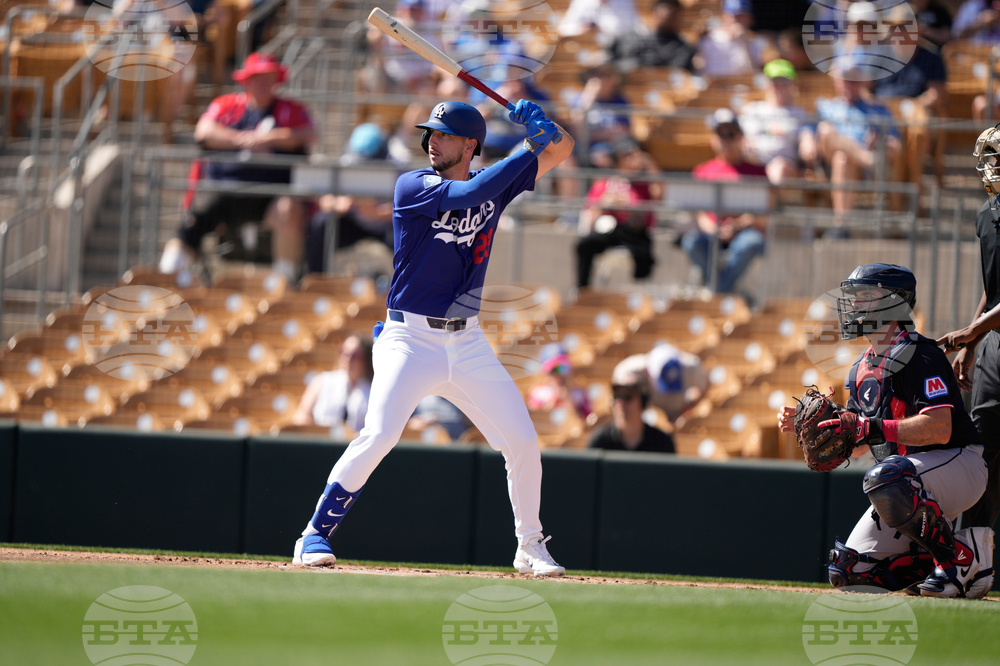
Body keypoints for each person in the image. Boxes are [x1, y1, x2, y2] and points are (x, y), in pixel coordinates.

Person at [292, 100, 575, 576]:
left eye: (442, 135)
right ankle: (313, 535)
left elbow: (562, 149)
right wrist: (528, 145)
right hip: (409, 339)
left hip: (466, 342)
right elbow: (471, 195)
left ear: (470, 145)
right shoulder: (413, 185)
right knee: (380, 433)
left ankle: (529, 545)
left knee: (523, 441)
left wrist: (546, 125)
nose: (431, 142)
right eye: (430, 134)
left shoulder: (497, 180)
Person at [778, 263, 994, 598]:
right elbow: (860, 444)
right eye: (853, 297)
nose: (854, 305)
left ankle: (957, 562)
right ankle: (964, 549)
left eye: (865, 296)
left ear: (895, 302)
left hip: (960, 464)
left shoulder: (922, 354)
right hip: (906, 482)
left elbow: (939, 428)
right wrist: (818, 427)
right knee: (849, 573)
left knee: (885, 477)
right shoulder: (859, 368)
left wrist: (870, 426)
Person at [158, 53, 317, 283]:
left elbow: (308, 135)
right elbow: (203, 132)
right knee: (197, 213)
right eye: (256, 77)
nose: (262, 83)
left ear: (277, 80)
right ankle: (167, 275)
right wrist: (244, 140)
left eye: (268, 77)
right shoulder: (226, 105)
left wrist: (266, 140)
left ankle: (283, 284)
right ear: (246, 80)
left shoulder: (291, 110)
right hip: (224, 189)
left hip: (270, 194)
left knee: (290, 208)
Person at [935, 123, 1000, 535]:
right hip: (994, 344)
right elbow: (991, 288)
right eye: (991, 155)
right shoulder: (986, 212)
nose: (992, 164)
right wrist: (972, 341)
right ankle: (969, 562)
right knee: (983, 449)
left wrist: (969, 332)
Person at [681, 108, 768, 295]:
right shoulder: (702, 171)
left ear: (740, 137)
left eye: (731, 134)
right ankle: (724, 290)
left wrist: (739, 225)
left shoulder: (758, 172)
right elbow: (699, 213)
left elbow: (765, 214)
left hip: (744, 233)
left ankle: (715, 292)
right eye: (721, 134)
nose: (725, 140)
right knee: (690, 242)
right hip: (711, 233)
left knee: (751, 242)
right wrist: (715, 230)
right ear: (713, 138)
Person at [816, 68, 901, 218]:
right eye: (845, 80)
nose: (849, 85)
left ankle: (841, 225)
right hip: (826, 163)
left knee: (842, 158)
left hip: (859, 168)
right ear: (836, 82)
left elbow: (896, 144)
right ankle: (870, 160)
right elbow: (815, 138)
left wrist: (879, 144)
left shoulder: (878, 109)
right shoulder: (825, 107)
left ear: (862, 83)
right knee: (826, 130)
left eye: (854, 81)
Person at [575, 138, 660, 289]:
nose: (632, 159)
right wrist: (604, 204)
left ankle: (639, 294)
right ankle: (582, 290)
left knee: (644, 256)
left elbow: (658, 193)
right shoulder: (604, 183)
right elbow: (589, 214)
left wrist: (649, 162)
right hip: (612, 230)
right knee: (584, 245)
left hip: (635, 232)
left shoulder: (644, 183)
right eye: (627, 155)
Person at [739, 59, 818, 185]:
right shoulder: (752, 110)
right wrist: (743, 142)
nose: (780, 86)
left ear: (793, 84)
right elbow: (738, 135)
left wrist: (807, 141)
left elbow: (807, 135)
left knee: (778, 168)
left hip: (786, 167)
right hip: (754, 163)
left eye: (784, 81)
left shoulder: (800, 114)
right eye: (775, 81)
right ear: (767, 83)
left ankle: (768, 201)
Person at [293, 335, 374, 432]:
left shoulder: (373, 391)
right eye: (343, 352)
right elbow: (302, 416)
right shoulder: (322, 381)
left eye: (355, 355)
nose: (348, 358)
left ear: (366, 359)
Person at [613, 342, 709, 422]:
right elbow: (619, 394)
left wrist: (688, 408)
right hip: (648, 420)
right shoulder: (630, 370)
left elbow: (706, 387)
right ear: (648, 372)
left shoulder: (692, 368)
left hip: (678, 417)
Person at [589, 364, 675, 453]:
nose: (621, 402)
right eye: (617, 395)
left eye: (627, 396)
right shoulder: (600, 441)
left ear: (643, 401)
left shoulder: (662, 442)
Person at [605, 0, 697, 72]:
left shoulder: (682, 49)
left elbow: (675, 75)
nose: (671, 18)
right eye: (667, 12)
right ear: (654, 12)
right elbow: (608, 65)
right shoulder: (627, 38)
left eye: (675, 15)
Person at [696, 0, 764, 77]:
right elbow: (701, 74)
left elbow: (755, 77)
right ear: (724, 16)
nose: (738, 21)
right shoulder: (708, 40)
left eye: (742, 17)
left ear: (749, 19)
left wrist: (744, 43)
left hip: (741, 87)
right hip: (716, 87)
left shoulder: (754, 44)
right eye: (735, 17)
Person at [527, 344, 592, 419]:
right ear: (544, 373)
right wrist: (546, 411)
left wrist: (570, 404)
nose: (559, 375)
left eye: (562, 368)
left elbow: (590, 421)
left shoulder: (580, 394)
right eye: (553, 370)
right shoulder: (538, 394)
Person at [558, 0, 641, 43]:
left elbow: (633, 29)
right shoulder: (581, 1)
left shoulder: (624, 2)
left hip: (614, 49)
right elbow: (563, 29)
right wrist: (582, 29)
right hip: (584, 51)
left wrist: (603, 31)